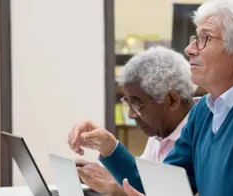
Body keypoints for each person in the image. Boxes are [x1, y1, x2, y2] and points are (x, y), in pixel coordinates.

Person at [68, 0, 233, 195]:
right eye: (194, 38)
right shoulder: (205, 110)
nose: (189, 49)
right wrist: (109, 146)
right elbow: (160, 187)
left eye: (204, 39)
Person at [72, 46, 198, 195]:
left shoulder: (202, 130)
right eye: (128, 103)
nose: (131, 114)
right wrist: (106, 171)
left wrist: (117, 189)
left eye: (137, 105)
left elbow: (160, 190)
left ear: (171, 100)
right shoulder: (161, 131)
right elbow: (142, 180)